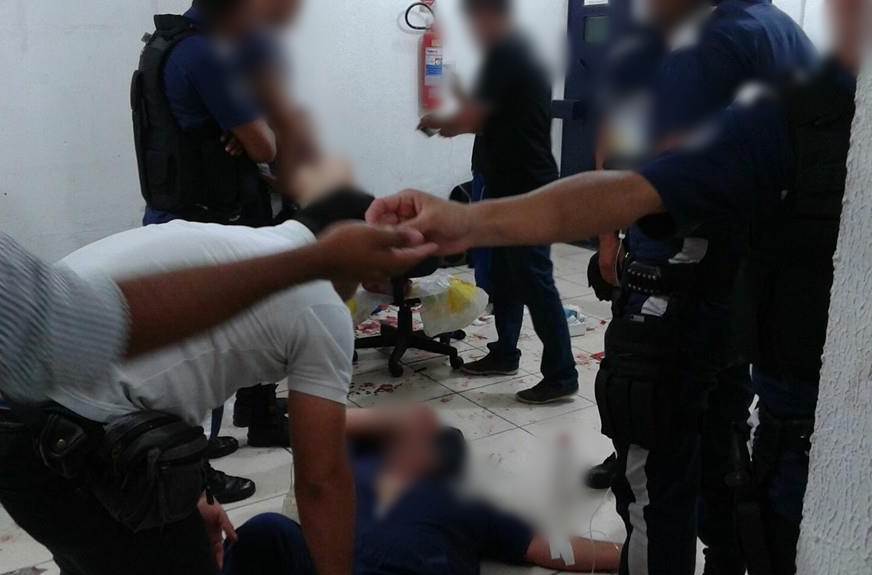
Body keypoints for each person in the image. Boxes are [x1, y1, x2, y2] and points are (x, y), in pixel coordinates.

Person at [367, 0, 860, 570]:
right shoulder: (779, 44)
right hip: (750, 314)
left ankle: (567, 382)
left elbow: (639, 177)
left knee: (657, 470)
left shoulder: (721, 43)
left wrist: (474, 221)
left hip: (688, 295)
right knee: (722, 452)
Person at [0, 183, 429, 575]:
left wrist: (192, 495)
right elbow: (321, 481)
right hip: (75, 446)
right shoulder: (320, 306)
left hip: (21, 432)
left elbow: (168, 373)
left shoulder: (231, 242)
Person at [574, 0, 817, 572]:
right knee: (720, 449)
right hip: (742, 293)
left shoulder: (710, 41)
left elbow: (642, 162)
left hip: (675, 292)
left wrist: (608, 210)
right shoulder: (786, 35)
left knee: (653, 482)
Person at [221, 406, 623, 574]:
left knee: (267, 530)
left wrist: (629, 557)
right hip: (341, 566)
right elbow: (324, 422)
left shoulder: (471, 500)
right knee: (267, 530)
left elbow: (549, 546)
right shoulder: (363, 462)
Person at [417, 0, 578, 405]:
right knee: (505, 278)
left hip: (529, 191)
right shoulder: (510, 55)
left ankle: (562, 374)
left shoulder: (509, 56)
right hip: (508, 185)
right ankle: (505, 353)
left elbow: (475, 119)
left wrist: (439, 122)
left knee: (534, 281)